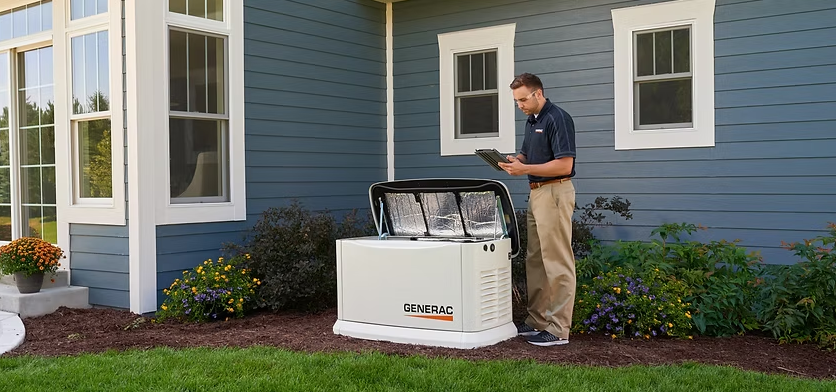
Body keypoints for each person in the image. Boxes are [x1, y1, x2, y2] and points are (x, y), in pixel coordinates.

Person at [498, 73, 577, 346]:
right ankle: (537, 321)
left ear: (538, 93)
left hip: (555, 191)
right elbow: (526, 155)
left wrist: (525, 168)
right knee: (536, 260)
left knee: (557, 261)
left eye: (523, 99)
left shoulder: (558, 118)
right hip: (537, 193)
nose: (519, 105)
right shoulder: (532, 121)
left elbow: (564, 165)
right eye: (516, 101)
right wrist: (512, 162)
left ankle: (558, 330)